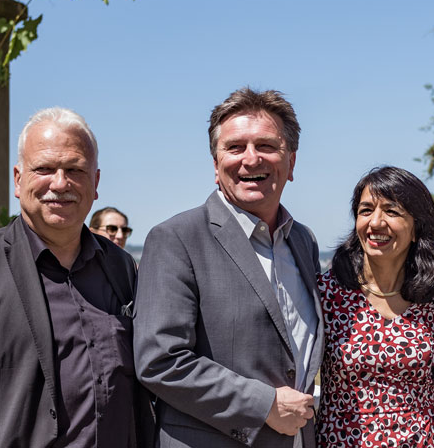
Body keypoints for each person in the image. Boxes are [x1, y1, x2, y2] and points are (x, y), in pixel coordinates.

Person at [0, 107, 155, 447]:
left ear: (95, 183)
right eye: (44, 168)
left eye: (75, 169)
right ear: (18, 179)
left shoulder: (121, 267)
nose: (60, 183)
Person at [134, 87, 323, 448]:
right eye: (235, 147)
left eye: (266, 146)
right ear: (216, 165)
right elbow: (159, 360)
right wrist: (263, 405)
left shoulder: (303, 242)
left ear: (292, 162)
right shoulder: (176, 239)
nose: (251, 159)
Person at [316, 166, 434, 447]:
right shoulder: (325, 294)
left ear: (416, 228)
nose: (375, 222)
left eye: (391, 211)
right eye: (366, 210)